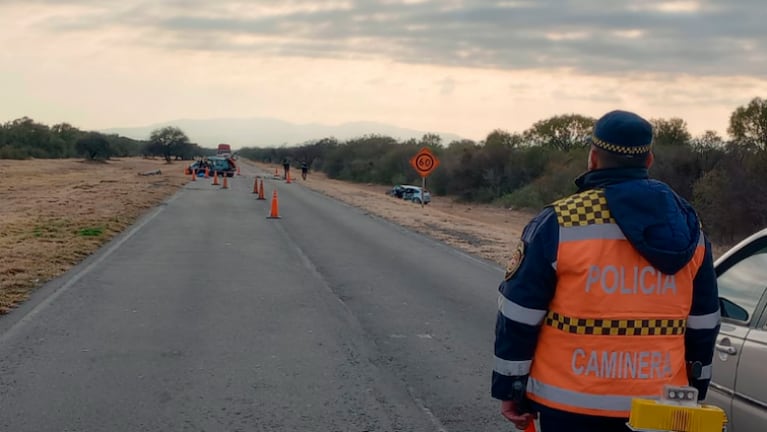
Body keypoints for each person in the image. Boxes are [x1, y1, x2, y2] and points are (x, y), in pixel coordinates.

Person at [492, 110, 720, 432]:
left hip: (570, 406)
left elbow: (519, 314)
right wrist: (695, 392)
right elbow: (704, 323)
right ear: (649, 159)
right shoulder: (688, 226)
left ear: (593, 158)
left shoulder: (562, 221)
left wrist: (510, 388)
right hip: (663, 408)